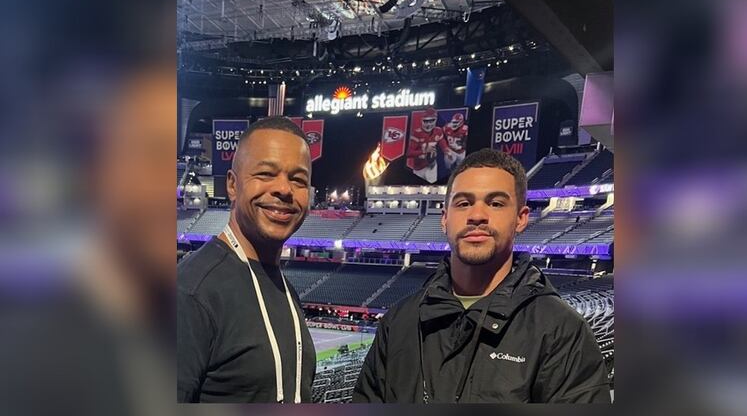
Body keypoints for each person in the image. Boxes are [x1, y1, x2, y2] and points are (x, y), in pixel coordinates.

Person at [353, 149, 610, 403]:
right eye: (463, 203)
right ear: (444, 219)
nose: (477, 215)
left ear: (521, 219)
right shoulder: (399, 322)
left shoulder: (561, 332)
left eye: (496, 203)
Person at [178, 117, 316, 403]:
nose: (284, 189)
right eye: (265, 174)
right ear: (232, 184)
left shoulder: (284, 289)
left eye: (298, 179)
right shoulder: (191, 292)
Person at [406, 107, 447, 183]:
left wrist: (445, 150)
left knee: (432, 190)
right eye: (426, 121)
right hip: (419, 168)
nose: (428, 124)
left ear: (436, 120)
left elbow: (441, 140)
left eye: (431, 121)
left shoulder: (438, 131)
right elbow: (409, 153)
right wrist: (424, 151)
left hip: (431, 166)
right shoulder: (417, 133)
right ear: (422, 121)